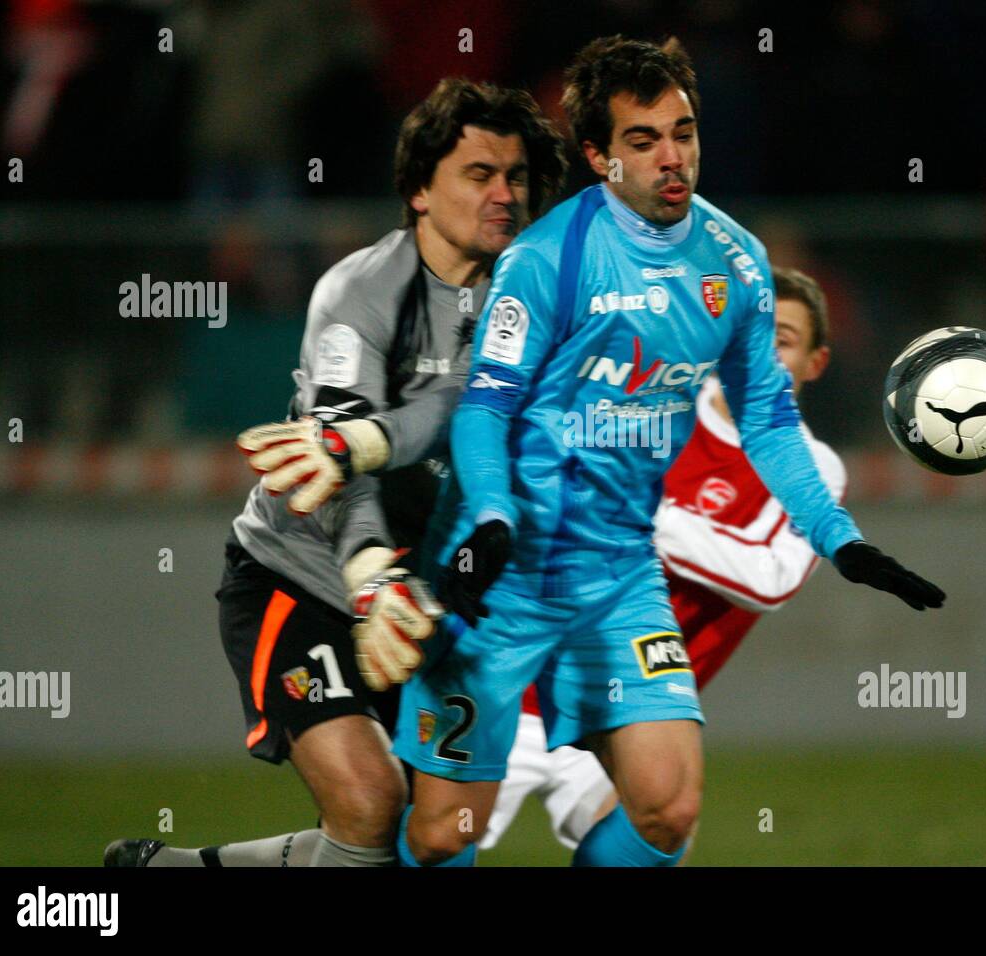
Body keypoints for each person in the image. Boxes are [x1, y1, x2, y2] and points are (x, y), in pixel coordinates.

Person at [392, 36, 944, 868]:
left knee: (667, 808)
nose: (671, 155)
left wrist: (843, 540)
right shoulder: (545, 260)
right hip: (501, 573)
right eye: (642, 141)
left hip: (618, 574)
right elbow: (485, 411)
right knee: (441, 834)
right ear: (597, 156)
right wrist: (495, 518)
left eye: (682, 131)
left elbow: (766, 421)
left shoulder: (737, 263)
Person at [104, 79, 565, 867]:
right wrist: (368, 581)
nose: (503, 194)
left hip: (422, 604)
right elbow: (336, 461)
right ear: (420, 189)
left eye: (516, 177)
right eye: (479, 173)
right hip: (301, 581)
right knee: (368, 800)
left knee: (430, 836)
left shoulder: (531, 301)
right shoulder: (360, 292)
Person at [480, 267, 847, 854]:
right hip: (519, 685)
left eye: (780, 340)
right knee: (420, 842)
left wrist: (647, 515)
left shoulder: (812, 467)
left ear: (815, 364)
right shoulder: (649, 407)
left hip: (630, 716)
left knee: (664, 827)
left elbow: (769, 578)